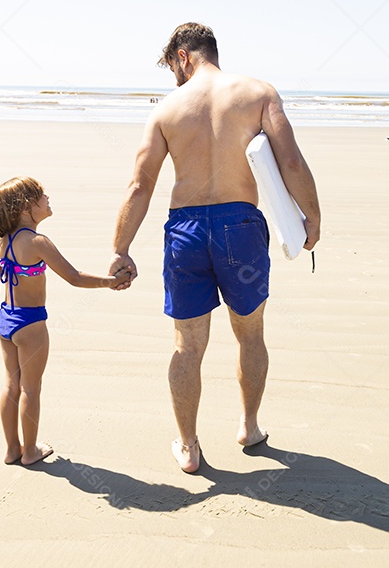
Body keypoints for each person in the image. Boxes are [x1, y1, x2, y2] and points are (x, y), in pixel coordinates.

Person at [109, 23, 320, 473]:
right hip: (239, 227)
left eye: (173, 68)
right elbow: (291, 161)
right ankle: (249, 426)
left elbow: (140, 184)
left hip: (185, 230)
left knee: (187, 346)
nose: (175, 80)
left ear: (183, 56)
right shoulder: (258, 93)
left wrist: (120, 247)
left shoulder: (166, 109)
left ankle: (188, 446)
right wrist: (312, 217)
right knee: (251, 333)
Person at [0, 177, 130, 466]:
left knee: (11, 385)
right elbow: (74, 277)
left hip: (7, 319)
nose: (47, 198)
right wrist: (110, 282)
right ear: (26, 208)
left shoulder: (2, 243)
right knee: (31, 389)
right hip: (31, 324)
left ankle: (12, 449)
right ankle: (31, 451)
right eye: (41, 195)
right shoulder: (38, 242)